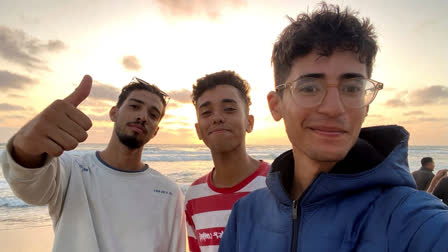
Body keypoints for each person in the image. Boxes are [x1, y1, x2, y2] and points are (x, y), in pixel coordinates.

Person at [219, 3, 448, 252]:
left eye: (351, 88)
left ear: (366, 105)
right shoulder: (245, 216)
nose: (333, 108)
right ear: (276, 106)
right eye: (309, 88)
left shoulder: (413, 221)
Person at [1, 75, 186, 252]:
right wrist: (27, 145)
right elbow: (29, 188)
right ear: (114, 113)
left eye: (153, 115)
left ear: (156, 131)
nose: (143, 116)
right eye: (135, 106)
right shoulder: (71, 169)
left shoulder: (168, 191)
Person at [184, 70, 269, 252]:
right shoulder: (193, 196)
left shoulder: (279, 183)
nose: (217, 118)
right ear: (198, 130)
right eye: (206, 112)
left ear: (249, 122)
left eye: (229, 109)